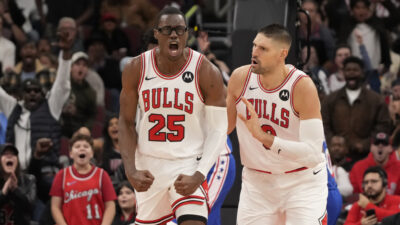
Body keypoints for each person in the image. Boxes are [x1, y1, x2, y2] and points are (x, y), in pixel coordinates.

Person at [119, 6, 227, 225]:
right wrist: (130, 170)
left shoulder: (205, 71)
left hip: (187, 163)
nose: (174, 35)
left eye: (179, 29)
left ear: (187, 34)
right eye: (167, 30)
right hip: (150, 166)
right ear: (157, 34)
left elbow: (218, 129)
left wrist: (200, 174)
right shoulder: (136, 68)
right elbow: (126, 122)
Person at [226, 23, 328, 224]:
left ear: (282, 54)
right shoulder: (240, 78)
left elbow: (314, 154)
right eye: (255, 45)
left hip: (301, 182)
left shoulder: (301, 86)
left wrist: (265, 138)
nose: (255, 52)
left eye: (263, 49)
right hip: (257, 183)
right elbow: (222, 129)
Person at [322, 56, 391, 162]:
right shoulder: (331, 99)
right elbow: (324, 124)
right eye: (348, 70)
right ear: (343, 72)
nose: (351, 73)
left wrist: (366, 144)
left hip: (366, 157)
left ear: (362, 73)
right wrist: (334, 142)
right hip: (336, 159)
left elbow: (383, 126)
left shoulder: (376, 100)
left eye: (355, 70)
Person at [49, 133, 116, 225]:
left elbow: (110, 205)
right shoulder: (62, 175)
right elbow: (55, 206)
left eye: (86, 146)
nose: (82, 148)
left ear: (92, 153)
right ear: (71, 154)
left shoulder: (102, 175)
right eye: (77, 146)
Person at [0, 143, 36, 225]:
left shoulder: (29, 180)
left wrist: (16, 189)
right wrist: (4, 191)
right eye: (5, 154)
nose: (9, 156)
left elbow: (30, 207)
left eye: (13, 154)